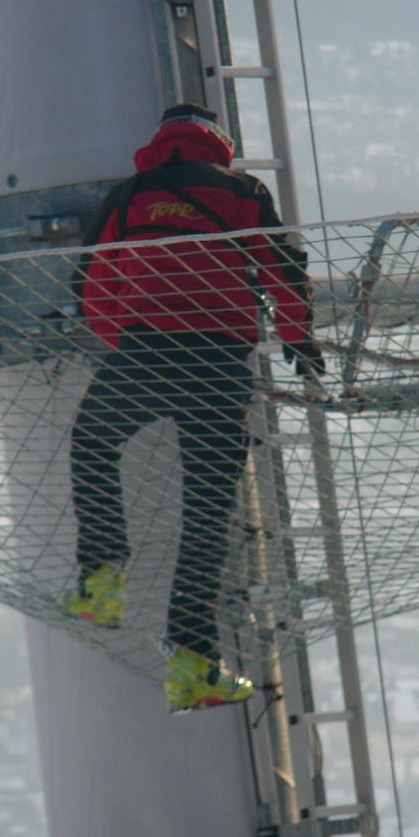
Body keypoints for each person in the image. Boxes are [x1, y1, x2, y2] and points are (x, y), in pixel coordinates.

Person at [59, 103, 324, 712]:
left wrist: (123, 340)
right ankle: (192, 666)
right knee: (205, 515)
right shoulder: (241, 190)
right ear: (220, 142)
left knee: (93, 443)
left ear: (162, 141)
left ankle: (101, 582)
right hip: (219, 366)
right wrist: (296, 338)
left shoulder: (130, 194)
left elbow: (92, 284)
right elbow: (283, 267)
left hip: (144, 355)